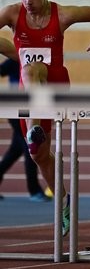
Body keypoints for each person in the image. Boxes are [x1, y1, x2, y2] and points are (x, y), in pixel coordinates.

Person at [0, 0, 90, 235]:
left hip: (56, 81)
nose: (28, 2)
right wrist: (13, 50)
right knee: (38, 155)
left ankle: (35, 127)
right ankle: (63, 202)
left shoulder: (63, 15)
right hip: (31, 87)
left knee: (31, 69)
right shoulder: (12, 12)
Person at [0, 46, 50, 202]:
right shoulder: (16, 59)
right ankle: (34, 190)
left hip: (31, 110)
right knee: (31, 147)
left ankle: (34, 190)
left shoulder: (42, 61)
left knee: (14, 151)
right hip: (17, 111)